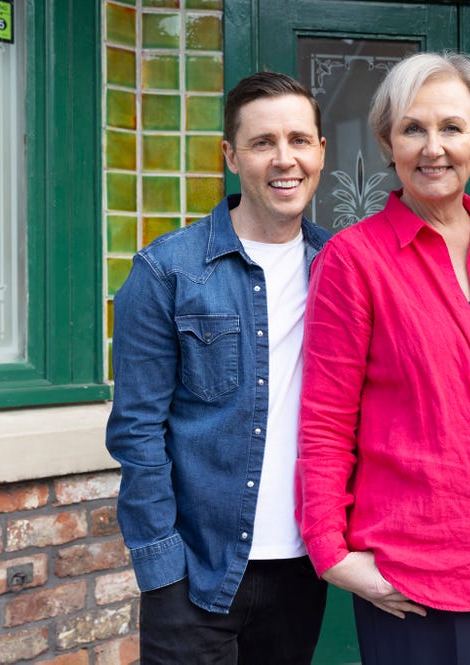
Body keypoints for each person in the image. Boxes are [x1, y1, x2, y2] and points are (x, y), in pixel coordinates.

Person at [297, 51, 470, 665]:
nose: (433, 147)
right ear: (387, 141)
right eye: (414, 128)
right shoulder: (353, 259)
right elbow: (325, 418)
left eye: (452, 127)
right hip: (416, 574)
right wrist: (330, 552)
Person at [106, 72, 330, 664]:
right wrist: (162, 569)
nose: (285, 160)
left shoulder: (341, 267)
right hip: (197, 575)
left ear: (321, 151)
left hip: (304, 570)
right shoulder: (167, 272)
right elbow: (136, 431)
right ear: (231, 156)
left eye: (299, 141)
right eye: (262, 144)